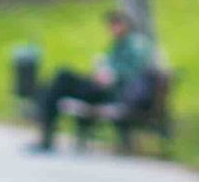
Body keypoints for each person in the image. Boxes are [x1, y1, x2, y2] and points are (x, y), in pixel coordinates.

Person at [30, 9, 159, 152]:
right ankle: (45, 129)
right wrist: (101, 70)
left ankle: (45, 135)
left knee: (62, 79)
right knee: (55, 85)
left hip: (112, 93)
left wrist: (112, 75)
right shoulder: (119, 44)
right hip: (101, 88)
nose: (113, 29)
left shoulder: (135, 44)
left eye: (117, 24)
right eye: (111, 25)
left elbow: (136, 70)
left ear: (126, 25)